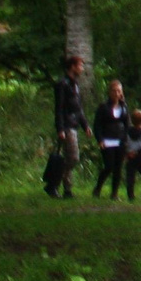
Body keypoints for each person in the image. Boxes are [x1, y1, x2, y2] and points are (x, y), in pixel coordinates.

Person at [45, 55, 86, 199]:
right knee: (73, 157)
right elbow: (59, 108)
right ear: (72, 66)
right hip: (67, 125)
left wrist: (85, 125)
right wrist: (60, 128)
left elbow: (78, 107)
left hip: (74, 124)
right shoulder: (62, 84)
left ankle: (66, 189)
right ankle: (54, 183)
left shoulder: (75, 84)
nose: (82, 69)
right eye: (80, 65)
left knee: (69, 158)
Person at [90, 80, 132, 200]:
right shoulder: (103, 107)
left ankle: (114, 193)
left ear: (121, 93)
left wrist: (127, 140)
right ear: (109, 92)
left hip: (120, 141)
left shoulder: (124, 107)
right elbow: (97, 125)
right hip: (107, 141)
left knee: (118, 168)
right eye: (114, 91)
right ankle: (98, 188)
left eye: (118, 91)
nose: (116, 93)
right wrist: (100, 139)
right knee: (109, 166)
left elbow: (127, 125)